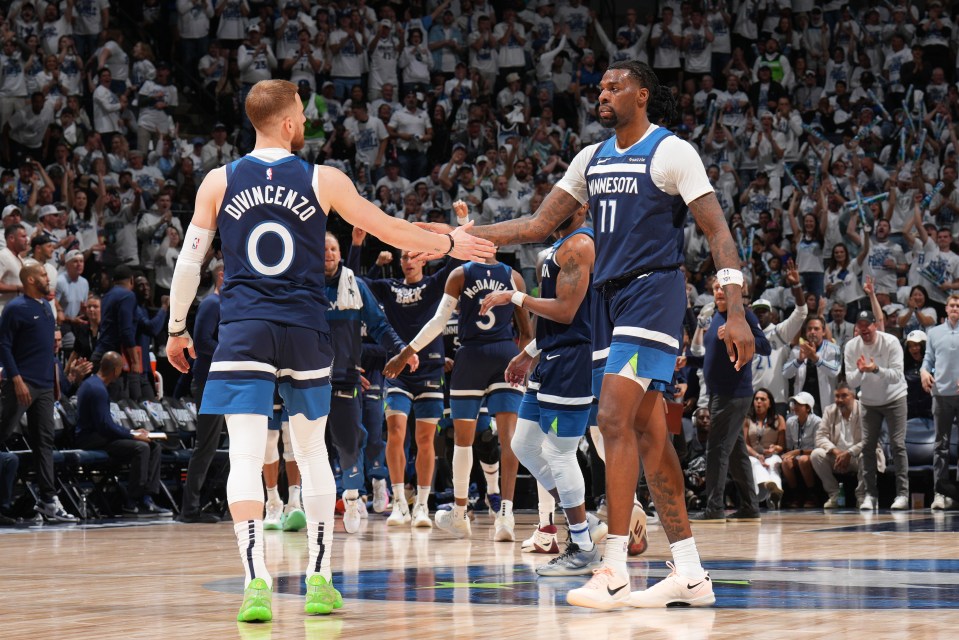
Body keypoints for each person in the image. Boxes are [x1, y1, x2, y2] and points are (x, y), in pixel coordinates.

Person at [419, 60, 755, 609]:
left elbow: (717, 230)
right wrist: (459, 238)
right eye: (600, 87)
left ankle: (614, 567)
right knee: (649, 436)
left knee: (612, 418)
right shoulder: (591, 158)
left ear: (641, 95)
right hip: (611, 301)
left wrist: (735, 309)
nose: (603, 94)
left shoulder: (671, 151)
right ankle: (692, 574)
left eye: (615, 87)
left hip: (653, 292)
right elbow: (535, 226)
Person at [164, 79, 492, 623]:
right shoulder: (324, 179)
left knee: (245, 455)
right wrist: (449, 243)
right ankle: (318, 578)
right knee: (312, 451)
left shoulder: (218, 181)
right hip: (304, 327)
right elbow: (386, 228)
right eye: (302, 113)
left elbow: (189, 263)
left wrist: (177, 328)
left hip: (244, 326)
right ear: (290, 122)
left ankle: (255, 583)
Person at [385, 201, 534, 542]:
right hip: (505, 353)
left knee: (463, 441)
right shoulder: (513, 277)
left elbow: (439, 323)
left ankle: (460, 512)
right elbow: (526, 330)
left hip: (471, 357)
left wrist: (405, 353)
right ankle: (506, 517)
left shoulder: (460, 274)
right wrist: (524, 360)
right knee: (508, 439)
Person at [483, 203, 617, 574]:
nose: (558, 206)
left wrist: (514, 297)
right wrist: (529, 352)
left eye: (568, 201)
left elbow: (566, 311)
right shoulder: (557, 248)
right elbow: (554, 323)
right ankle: (584, 520)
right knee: (523, 444)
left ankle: (583, 547)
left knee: (560, 453)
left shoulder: (580, 246)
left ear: (583, 207)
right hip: (551, 356)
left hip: (573, 360)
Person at [322, 231, 410, 534]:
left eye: (333, 249)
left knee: (350, 444)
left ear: (340, 254)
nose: (328, 254)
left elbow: (379, 325)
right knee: (311, 447)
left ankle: (352, 497)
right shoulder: (303, 287)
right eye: (323, 249)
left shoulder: (355, 286)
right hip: (310, 378)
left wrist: (401, 350)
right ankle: (310, 503)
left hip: (345, 377)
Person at [689, 279, 771, 522]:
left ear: (733, 291)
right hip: (719, 393)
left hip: (733, 394)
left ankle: (714, 508)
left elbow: (764, 346)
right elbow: (713, 356)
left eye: (723, 288)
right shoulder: (715, 316)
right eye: (715, 288)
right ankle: (750, 506)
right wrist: (689, 361)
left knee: (716, 450)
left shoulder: (743, 316)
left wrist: (738, 335)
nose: (718, 292)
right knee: (736, 453)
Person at [0, 264, 75, 522]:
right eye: (43, 275)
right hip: (21, 383)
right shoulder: (15, 308)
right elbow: (4, 346)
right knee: (2, 432)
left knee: (44, 443)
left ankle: (47, 500)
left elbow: (48, 350)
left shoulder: (45, 308)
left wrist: (54, 382)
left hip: (44, 386)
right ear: (31, 280)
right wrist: (16, 379)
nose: (47, 278)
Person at [74, 351, 171, 517]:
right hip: (91, 439)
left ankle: (146, 498)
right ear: (116, 370)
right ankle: (132, 502)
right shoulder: (97, 389)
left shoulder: (93, 384)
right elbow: (105, 427)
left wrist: (132, 432)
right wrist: (132, 435)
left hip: (100, 436)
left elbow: (107, 425)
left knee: (153, 446)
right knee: (141, 447)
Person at [844, 309, 910, 511]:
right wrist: (861, 371)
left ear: (875, 325)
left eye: (868, 325)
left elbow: (897, 376)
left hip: (895, 397)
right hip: (869, 402)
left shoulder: (890, 342)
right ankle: (870, 495)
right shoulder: (851, 346)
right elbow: (851, 381)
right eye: (860, 326)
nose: (864, 329)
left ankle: (902, 494)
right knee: (867, 447)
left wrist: (875, 369)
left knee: (898, 445)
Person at [178, 265, 225, 524]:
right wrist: (233, 353)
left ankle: (208, 502)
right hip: (209, 383)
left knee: (217, 446)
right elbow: (202, 342)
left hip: (222, 383)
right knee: (205, 446)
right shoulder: (211, 303)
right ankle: (189, 509)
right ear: (222, 276)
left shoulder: (225, 305)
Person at [921, 294, 959, 510]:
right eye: (952, 305)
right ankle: (940, 493)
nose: (955, 308)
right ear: (946, 308)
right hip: (941, 394)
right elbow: (928, 359)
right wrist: (924, 371)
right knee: (940, 445)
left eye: (958, 306)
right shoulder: (934, 332)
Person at [814, 383, 876, 509]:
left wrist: (849, 453)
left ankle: (862, 497)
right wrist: (836, 452)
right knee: (816, 454)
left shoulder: (865, 410)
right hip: (837, 458)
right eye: (837, 396)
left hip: (857, 456)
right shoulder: (829, 410)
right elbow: (820, 437)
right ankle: (835, 495)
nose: (839, 400)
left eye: (844, 396)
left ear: (853, 397)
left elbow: (870, 439)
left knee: (867, 455)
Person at [782, 315, 842, 412]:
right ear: (805, 332)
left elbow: (834, 372)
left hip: (825, 403)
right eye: (809, 329)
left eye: (816, 329)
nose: (812, 332)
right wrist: (799, 360)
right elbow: (786, 373)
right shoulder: (797, 350)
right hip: (802, 403)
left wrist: (815, 358)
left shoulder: (833, 349)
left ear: (823, 332)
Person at [743, 388, 786, 509]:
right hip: (753, 454)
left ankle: (773, 495)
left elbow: (782, 446)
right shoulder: (747, 420)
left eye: (762, 399)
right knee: (754, 462)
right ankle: (770, 487)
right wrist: (758, 455)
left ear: (770, 403)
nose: (758, 401)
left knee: (773, 464)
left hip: (772, 454)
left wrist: (775, 448)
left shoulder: (779, 419)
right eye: (756, 399)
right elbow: (744, 444)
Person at [782, 391, 822, 507]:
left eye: (799, 404)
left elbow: (819, 448)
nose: (795, 407)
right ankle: (796, 494)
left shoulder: (817, 422)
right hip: (797, 454)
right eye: (794, 403)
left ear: (808, 408)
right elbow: (789, 446)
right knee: (786, 462)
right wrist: (789, 455)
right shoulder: (790, 421)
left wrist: (798, 452)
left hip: (812, 455)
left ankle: (812, 494)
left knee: (803, 460)